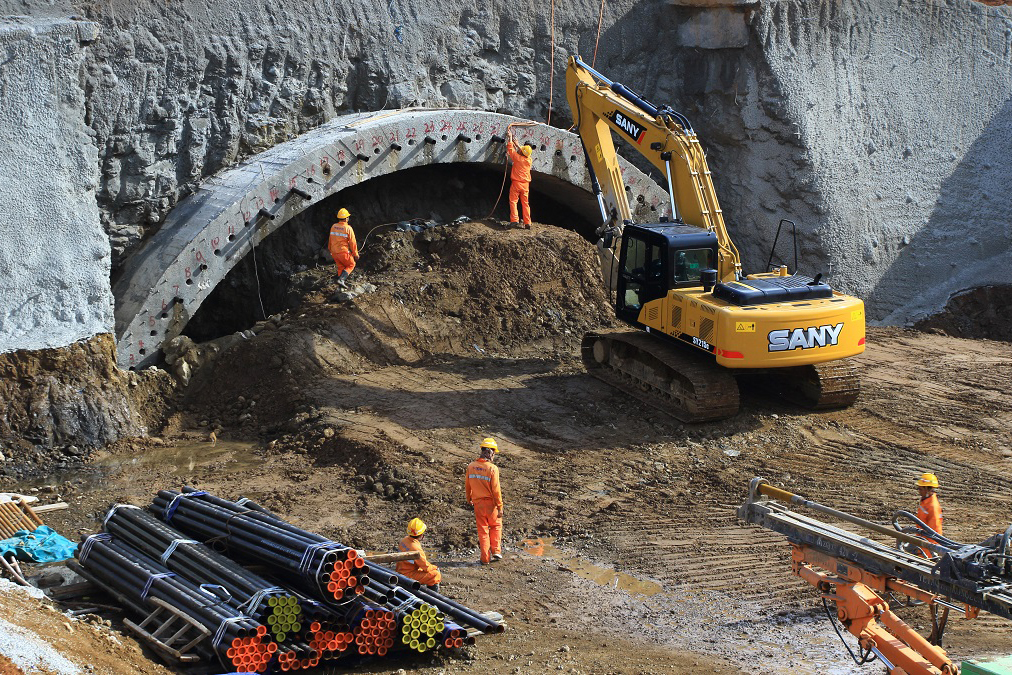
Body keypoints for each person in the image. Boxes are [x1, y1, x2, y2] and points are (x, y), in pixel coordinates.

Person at [465, 437, 503, 564]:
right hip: (491, 504)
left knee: (483, 531)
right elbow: (496, 490)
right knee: (496, 526)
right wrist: (500, 506)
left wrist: (469, 498)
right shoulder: (492, 469)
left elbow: (468, 485)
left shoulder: (471, 466)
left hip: (478, 504)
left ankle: (485, 558)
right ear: (491, 452)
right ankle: (496, 551)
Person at [396, 518, 441, 592]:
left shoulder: (404, 540)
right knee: (435, 575)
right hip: (408, 574)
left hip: (401, 569)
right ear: (421, 534)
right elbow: (426, 567)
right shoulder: (415, 548)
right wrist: (435, 567)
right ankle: (432, 597)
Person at [505, 130, 533, 229]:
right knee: (525, 204)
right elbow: (523, 152)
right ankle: (527, 222)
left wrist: (510, 137)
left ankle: (515, 220)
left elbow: (510, 149)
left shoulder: (517, 158)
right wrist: (517, 144)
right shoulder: (529, 160)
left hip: (516, 183)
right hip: (525, 185)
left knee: (513, 201)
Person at [328, 208, 359, 287]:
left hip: (334, 252)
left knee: (341, 266)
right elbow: (353, 242)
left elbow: (330, 239)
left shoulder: (333, 226)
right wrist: (355, 254)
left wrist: (330, 249)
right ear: (346, 218)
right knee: (351, 264)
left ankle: (339, 280)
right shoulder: (348, 228)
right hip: (343, 252)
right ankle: (341, 280)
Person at [916, 472, 943, 557]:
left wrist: (928, 553)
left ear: (927, 489)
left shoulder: (932, 507)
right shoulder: (925, 501)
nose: (919, 491)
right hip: (921, 541)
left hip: (928, 548)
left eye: (920, 489)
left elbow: (933, 532)